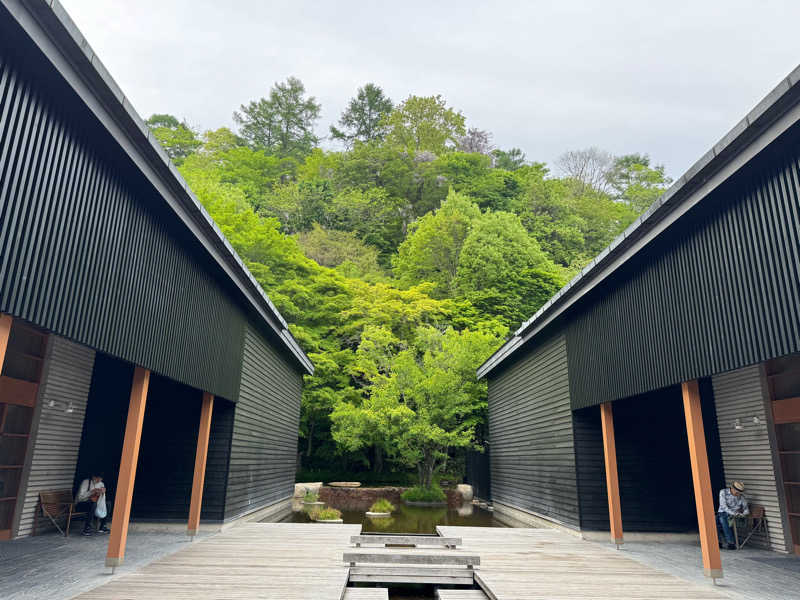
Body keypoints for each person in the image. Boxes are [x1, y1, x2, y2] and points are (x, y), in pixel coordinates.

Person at [75, 472, 109, 536]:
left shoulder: (101, 484)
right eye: (97, 479)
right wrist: (92, 491)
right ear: (93, 477)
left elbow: (101, 499)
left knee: (108, 504)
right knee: (92, 504)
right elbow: (80, 497)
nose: (99, 481)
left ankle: (103, 526)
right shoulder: (86, 482)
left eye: (100, 479)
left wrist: (102, 493)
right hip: (81, 504)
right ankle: (87, 528)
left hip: (95, 503)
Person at [717, 480, 748, 550]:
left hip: (735, 516)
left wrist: (743, 514)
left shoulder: (741, 497)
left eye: (739, 492)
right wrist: (733, 513)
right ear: (732, 488)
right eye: (737, 492)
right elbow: (723, 506)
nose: (738, 494)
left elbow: (746, 509)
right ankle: (724, 542)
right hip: (724, 512)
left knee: (722, 521)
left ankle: (730, 543)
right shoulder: (723, 492)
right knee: (718, 521)